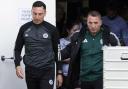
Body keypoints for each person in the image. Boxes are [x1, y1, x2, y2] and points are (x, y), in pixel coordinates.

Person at [61, 11, 120, 89]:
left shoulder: (110, 37)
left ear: (101, 22)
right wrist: (49, 54)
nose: (93, 26)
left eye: (96, 23)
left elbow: (119, 57)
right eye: (90, 23)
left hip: (102, 79)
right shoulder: (78, 36)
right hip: (82, 80)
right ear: (87, 23)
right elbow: (64, 52)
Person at [14, 1, 62, 89]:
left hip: (47, 70)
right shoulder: (24, 28)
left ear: (45, 13)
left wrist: (59, 73)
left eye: (40, 14)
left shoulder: (52, 29)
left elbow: (58, 52)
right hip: (30, 70)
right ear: (31, 12)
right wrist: (17, 65)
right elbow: (17, 49)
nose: (37, 17)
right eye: (34, 13)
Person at [59, 21, 81, 89]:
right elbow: (59, 56)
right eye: (74, 30)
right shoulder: (61, 41)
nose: (77, 32)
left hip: (76, 76)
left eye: (78, 30)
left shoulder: (79, 43)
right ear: (68, 30)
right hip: (63, 75)